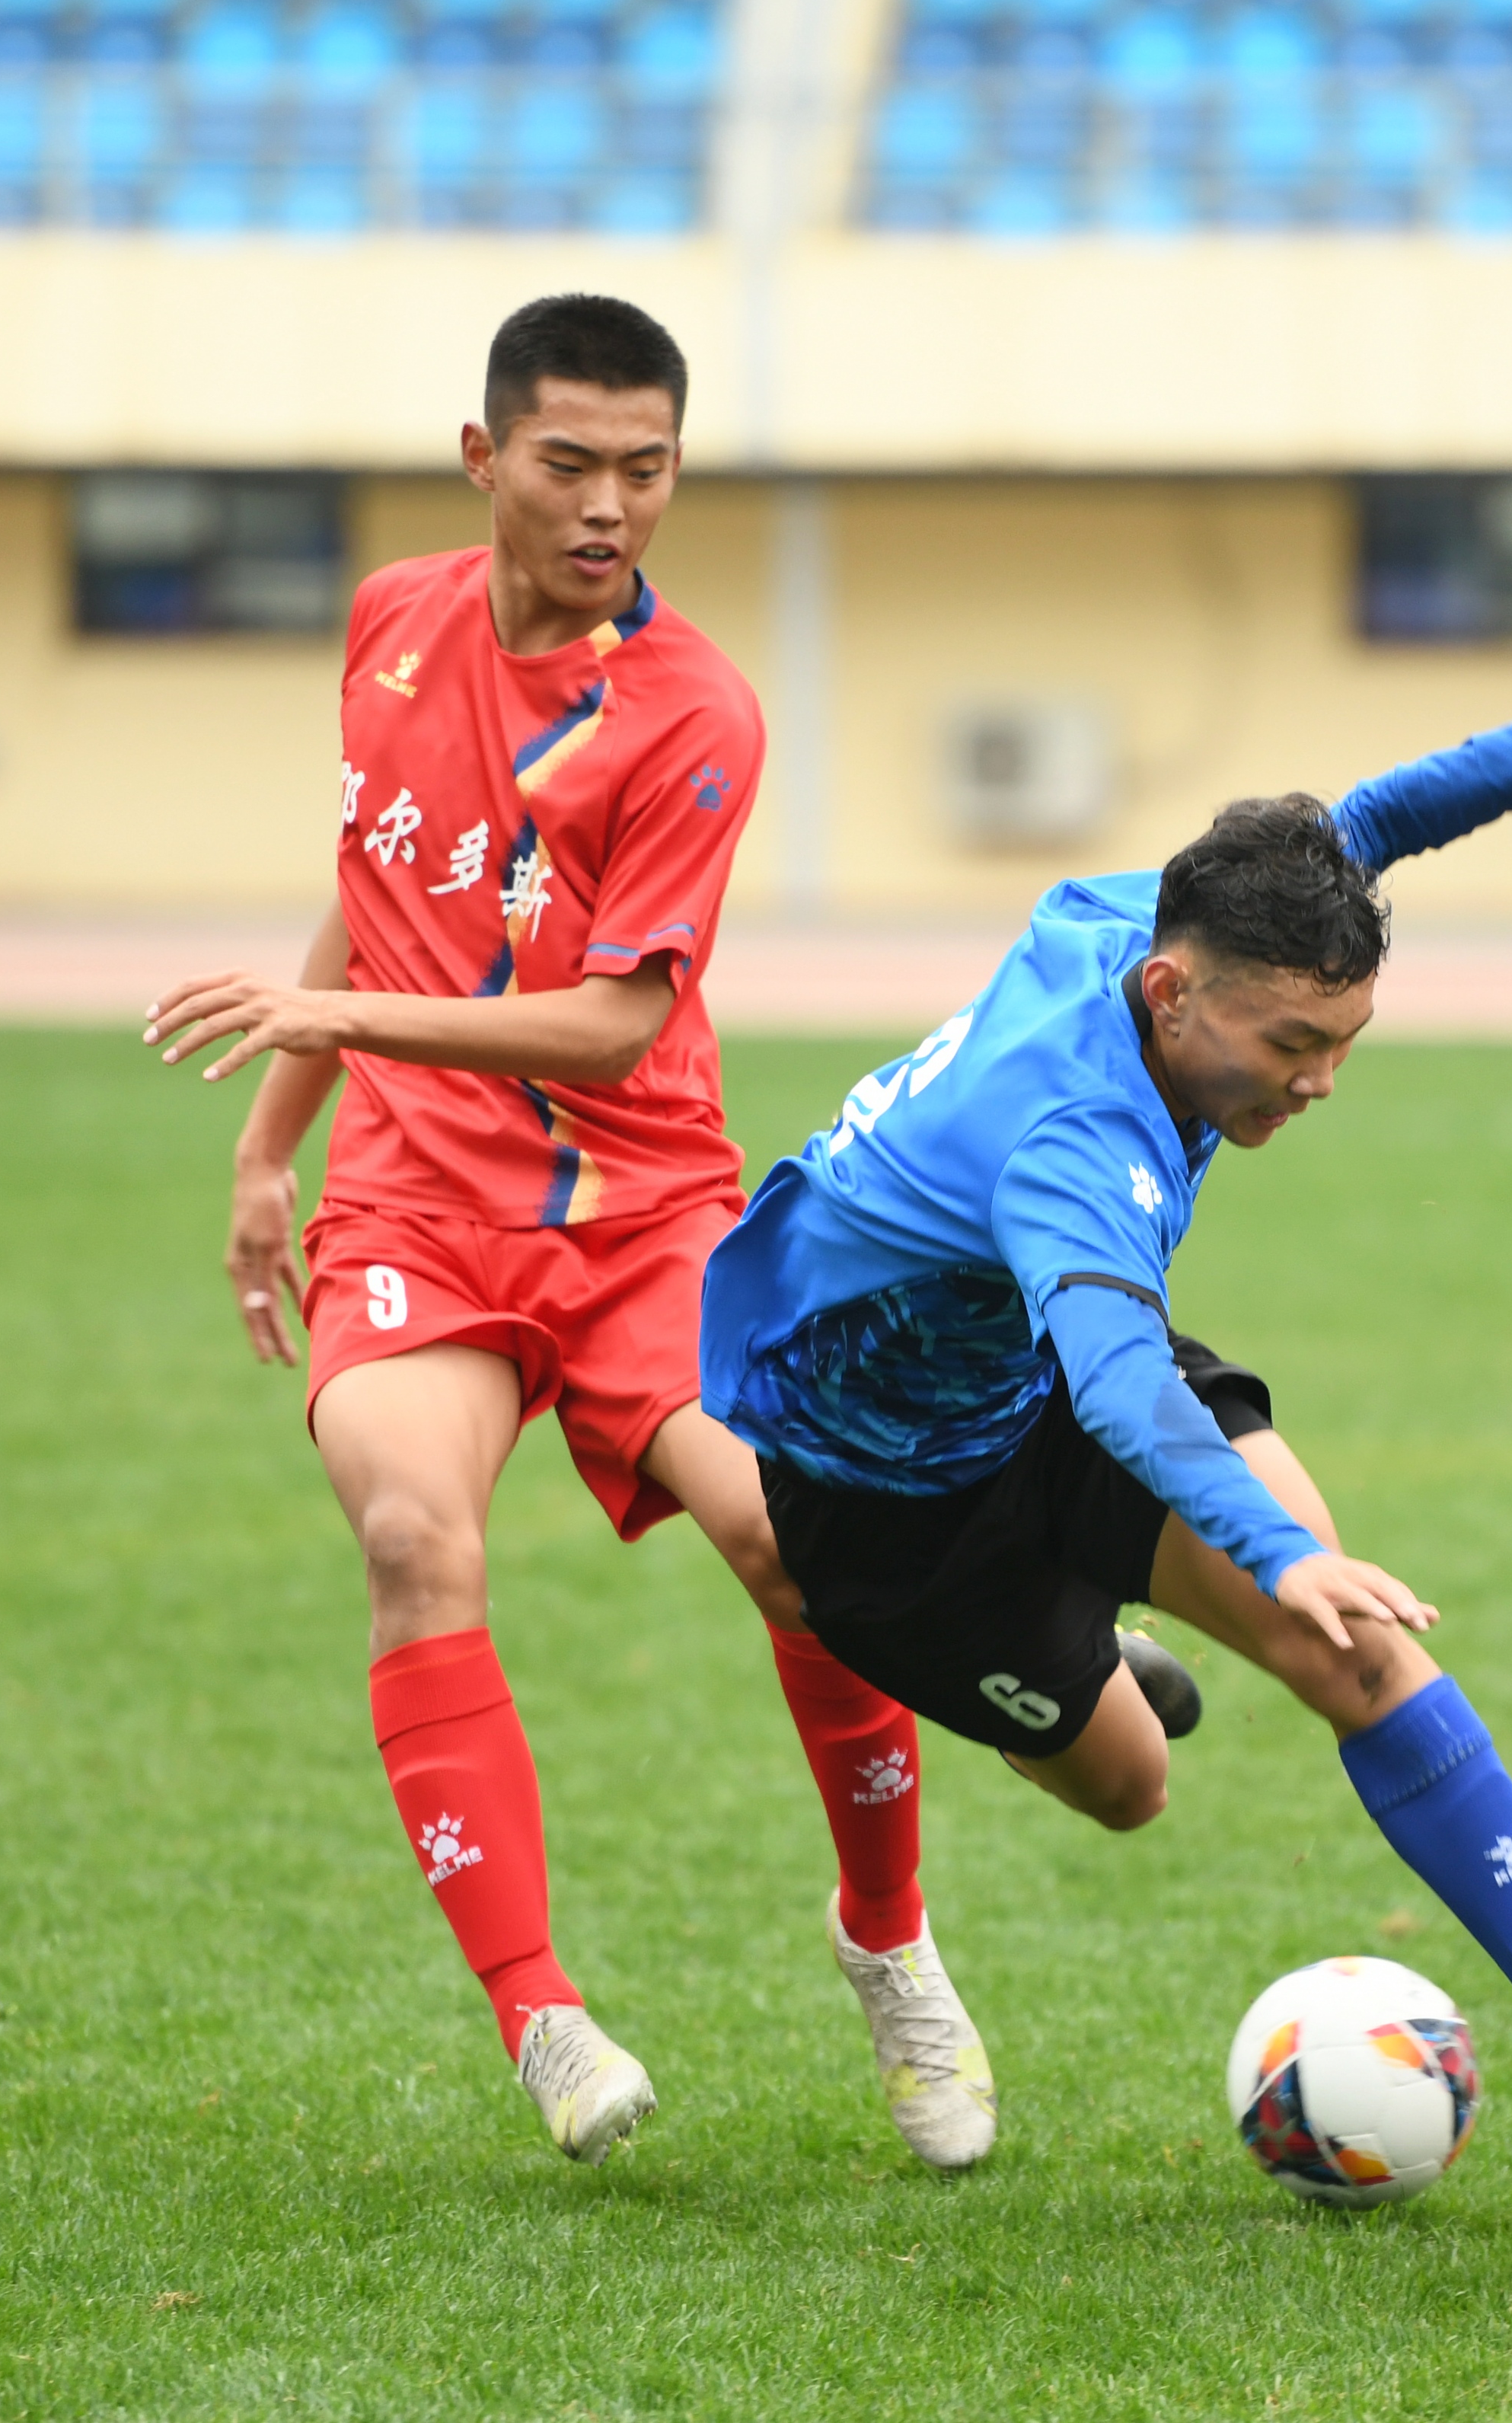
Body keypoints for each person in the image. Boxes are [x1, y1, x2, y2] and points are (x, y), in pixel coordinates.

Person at [698, 644, 1512, 2151]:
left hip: (1035, 1377)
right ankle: (1098, 1655)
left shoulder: (1163, 920)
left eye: (1343, 1040)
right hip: (891, 1509)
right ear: (1170, 996)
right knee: (1131, 1787)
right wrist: (1276, 1548)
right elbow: (1128, 1394)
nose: (1319, 1080)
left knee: (1350, 1641)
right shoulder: (1070, 1143)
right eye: (1290, 1047)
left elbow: (1357, 829)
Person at [145, 294, 995, 2176]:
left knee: (792, 1540)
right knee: (406, 1526)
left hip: (642, 1212)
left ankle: (887, 1939)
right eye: (571, 462)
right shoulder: (388, 622)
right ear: (484, 461)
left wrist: (336, 1036)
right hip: (416, 1208)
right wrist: (268, 1152)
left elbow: (613, 1023)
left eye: (648, 466)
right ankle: (538, 2007)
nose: (612, 502)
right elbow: (370, 897)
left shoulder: (688, 710)